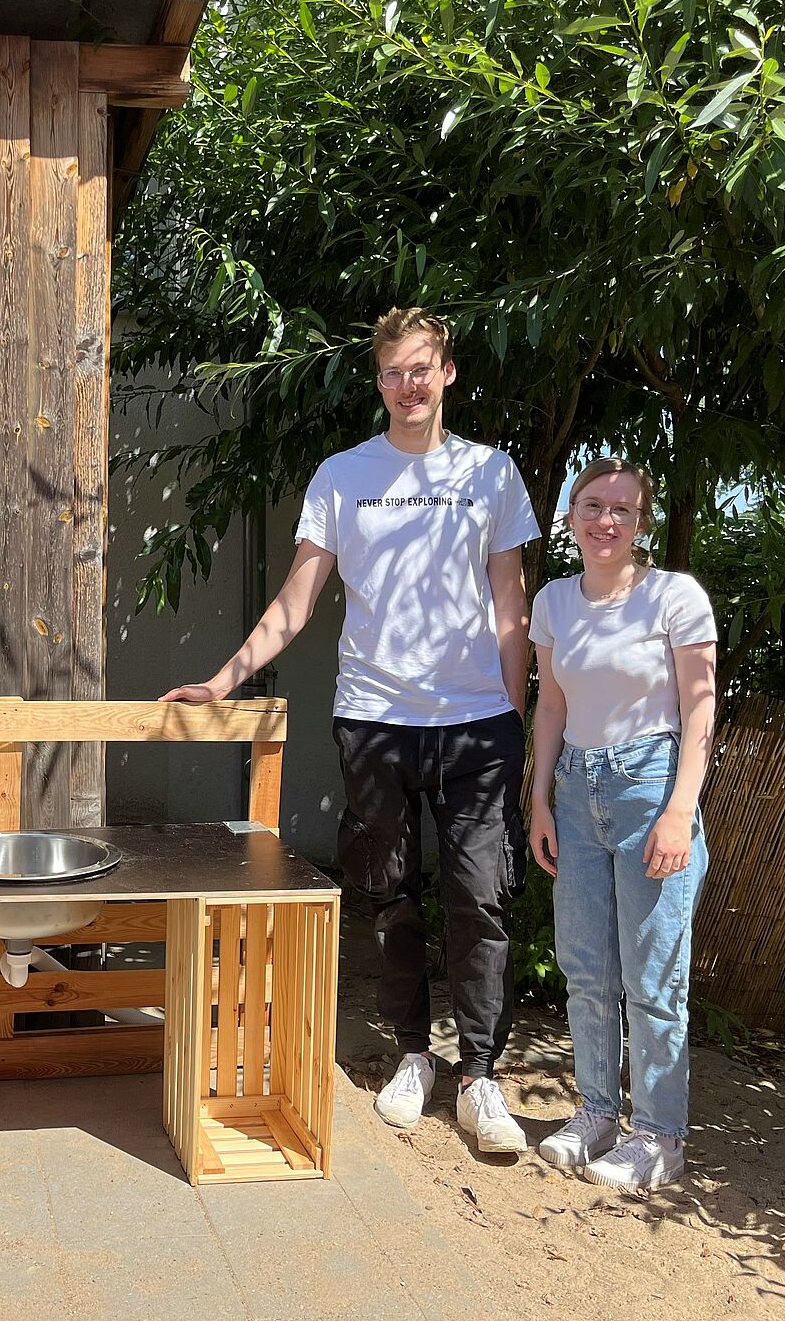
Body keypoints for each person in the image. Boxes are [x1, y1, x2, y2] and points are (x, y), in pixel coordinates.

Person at [164, 306, 540, 1154]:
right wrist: (223, 679)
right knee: (390, 891)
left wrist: (515, 720)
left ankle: (481, 1075)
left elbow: (511, 607)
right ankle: (415, 1054)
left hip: (478, 722)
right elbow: (297, 599)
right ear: (378, 383)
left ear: (448, 373)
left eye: (422, 369)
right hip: (373, 719)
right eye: (392, 373)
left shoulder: (491, 472)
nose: (408, 386)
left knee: (480, 895)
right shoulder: (342, 475)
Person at [528, 457, 717, 1192]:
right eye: (592, 505)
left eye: (623, 510)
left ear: (642, 523)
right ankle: (598, 1112)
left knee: (652, 977)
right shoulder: (553, 602)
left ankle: (661, 1137)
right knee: (585, 969)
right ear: (571, 515)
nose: (605, 521)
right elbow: (551, 706)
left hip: (651, 788)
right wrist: (539, 798)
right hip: (576, 790)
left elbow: (700, 707)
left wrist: (679, 810)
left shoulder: (675, 596)